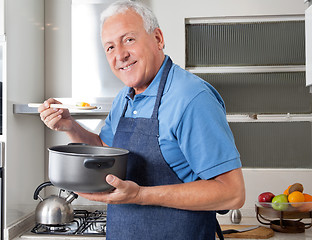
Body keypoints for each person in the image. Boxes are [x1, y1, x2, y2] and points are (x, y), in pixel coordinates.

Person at [39, 1, 245, 239]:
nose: (120, 55)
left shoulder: (191, 98)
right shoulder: (125, 98)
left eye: (129, 39)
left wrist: (140, 195)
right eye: (110, 47)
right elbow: (107, 153)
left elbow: (232, 193)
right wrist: (70, 126)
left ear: (158, 39)